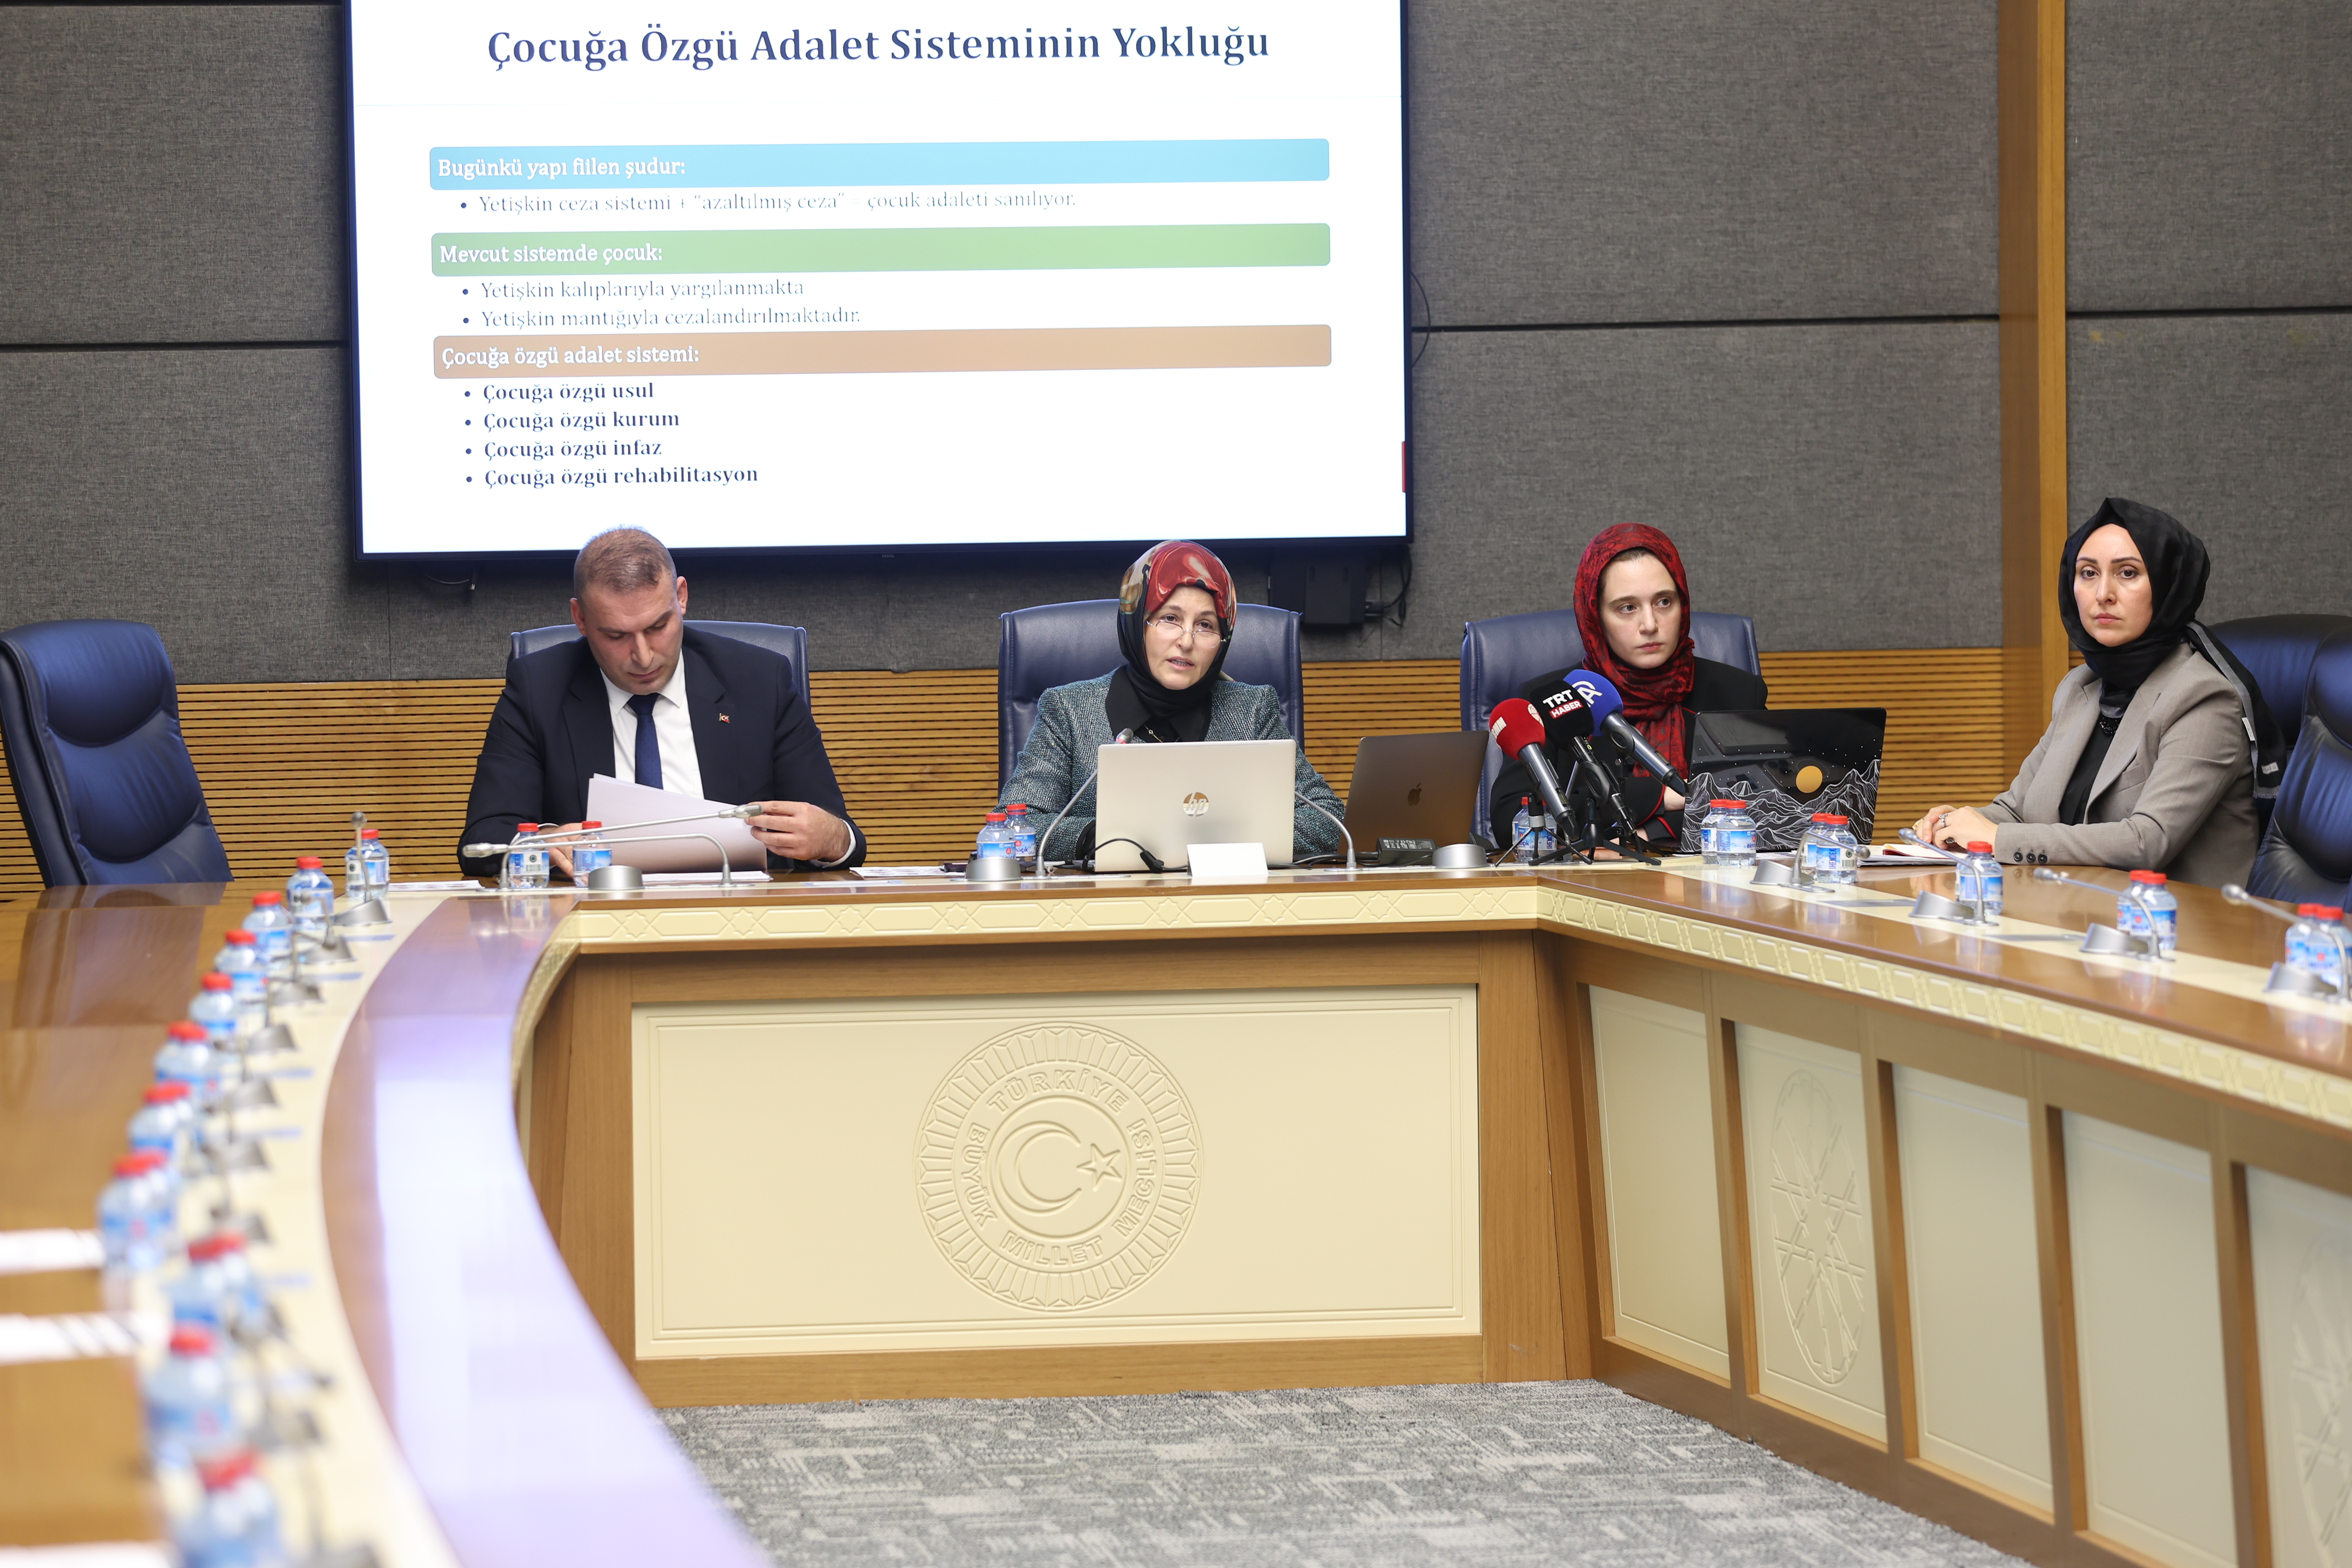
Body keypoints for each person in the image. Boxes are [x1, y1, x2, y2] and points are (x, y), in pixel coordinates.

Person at [458, 528, 863, 878]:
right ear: (580, 619)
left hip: (740, 918)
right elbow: (483, 842)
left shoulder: (759, 680)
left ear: (681, 597)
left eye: (658, 627)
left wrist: (832, 838)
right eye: (616, 636)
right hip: (594, 922)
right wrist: (543, 843)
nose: (643, 656)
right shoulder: (539, 688)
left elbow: (840, 835)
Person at [1910, 498, 2256, 886]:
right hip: (2076, 907)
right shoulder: (2080, 687)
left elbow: (2147, 842)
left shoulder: (2204, 698)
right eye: (2088, 573)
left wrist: (1997, 838)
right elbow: (2018, 812)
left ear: (2168, 585)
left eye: (2128, 573)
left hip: (2172, 916)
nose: (2103, 593)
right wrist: (1955, 824)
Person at [1000, 540, 1345, 864]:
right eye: (1170, 619)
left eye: (1206, 625)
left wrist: (1208, 839)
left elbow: (1330, 820)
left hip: (1226, 899)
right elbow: (1017, 828)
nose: (1187, 641)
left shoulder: (1252, 711)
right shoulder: (1069, 710)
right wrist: (1106, 838)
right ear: (1137, 622)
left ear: (1223, 639)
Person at [1491, 524, 1768, 851]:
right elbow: (1513, 820)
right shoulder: (1548, 699)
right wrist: (1660, 796)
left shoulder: (1735, 692)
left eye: (1664, 602)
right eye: (1627, 608)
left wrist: (1653, 832)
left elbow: (1773, 806)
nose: (1650, 625)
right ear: (1595, 617)